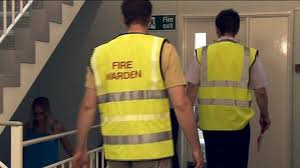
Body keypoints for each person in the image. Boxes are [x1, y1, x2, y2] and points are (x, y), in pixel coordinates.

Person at [73, 0, 204, 168]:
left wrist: (80, 148)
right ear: (149, 18)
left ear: (123, 18)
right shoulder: (163, 49)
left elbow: (88, 106)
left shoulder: (100, 54)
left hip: (116, 152)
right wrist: (195, 147)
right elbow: (181, 103)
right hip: (153, 151)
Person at [186, 9, 271, 168]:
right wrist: (265, 116)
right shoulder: (249, 55)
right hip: (238, 126)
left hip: (210, 126)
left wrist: (187, 120)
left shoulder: (202, 54)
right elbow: (260, 91)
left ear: (216, 29)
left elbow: (190, 89)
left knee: (215, 164)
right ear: (236, 30)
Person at [23, 97, 73, 168]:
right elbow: (22, 151)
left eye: (41, 114)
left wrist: (81, 159)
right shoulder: (28, 127)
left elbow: (68, 148)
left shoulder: (56, 126)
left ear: (47, 112)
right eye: (35, 114)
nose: (38, 117)